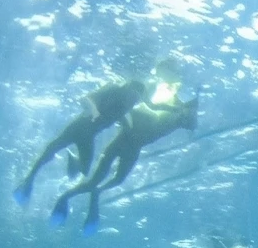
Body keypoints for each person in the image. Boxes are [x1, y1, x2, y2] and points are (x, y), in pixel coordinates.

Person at [50, 76, 198, 235]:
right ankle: (67, 196)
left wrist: (186, 110)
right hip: (121, 143)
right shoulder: (166, 109)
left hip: (134, 149)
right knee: (95, 180)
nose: (188, 118)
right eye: (188, 114)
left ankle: (94, 192)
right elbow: (134, 110)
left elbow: (190, 123)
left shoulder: (179, 117)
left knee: (117, 179)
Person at [12, 77, 151, 205]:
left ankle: (74, 161)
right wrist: (93, 109)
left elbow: (125, 121)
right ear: (126, 89)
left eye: (136, 100)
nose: (133, 101)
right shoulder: (113, 91)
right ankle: (29, 179)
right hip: (78, 128)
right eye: (133, 96)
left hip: (88, 137)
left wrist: (130, 131)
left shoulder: (125, 107)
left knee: (84, 170)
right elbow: (85, 99)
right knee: (51, 150)